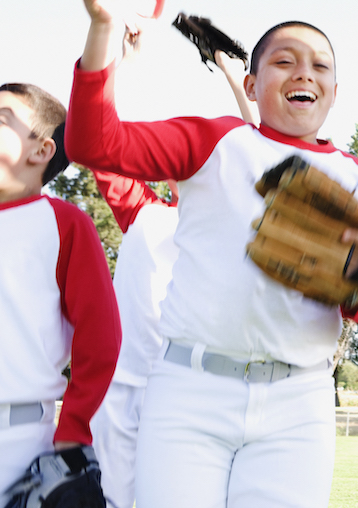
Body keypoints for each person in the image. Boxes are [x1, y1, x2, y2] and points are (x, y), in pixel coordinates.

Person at [66, 0, 358, 508]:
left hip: (300, 401)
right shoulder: (214, 142)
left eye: (320, 66)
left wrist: (354, 275)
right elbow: (93, 144)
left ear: (335, 91)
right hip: (190, 390)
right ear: (250, 81)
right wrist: (102, 27)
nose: (303, 73)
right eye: (284, 61)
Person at [89, 26, 259, 508]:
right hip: (123, 390)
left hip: (192, 392)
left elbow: (269, 157)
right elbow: (111, 134)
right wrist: (129, 60)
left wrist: (231, 72)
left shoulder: (233, 226)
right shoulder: (143, 210)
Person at [0, 82, 120, 508]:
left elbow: (100, 338)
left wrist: (73, 431)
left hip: (16, 445)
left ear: (42, 151)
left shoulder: (65, 223)